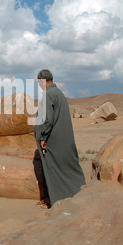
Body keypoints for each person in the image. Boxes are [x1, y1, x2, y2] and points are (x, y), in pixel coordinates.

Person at [34, 69, 85, 208]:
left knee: (52, 168)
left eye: (39, 82)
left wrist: (43, 137)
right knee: (66, 165)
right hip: (62, 137)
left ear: (42, 81)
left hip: (53, 139)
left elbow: (48, 119)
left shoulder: (48, 94)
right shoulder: (59, 93)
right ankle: (75, 191)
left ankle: (55, 198)